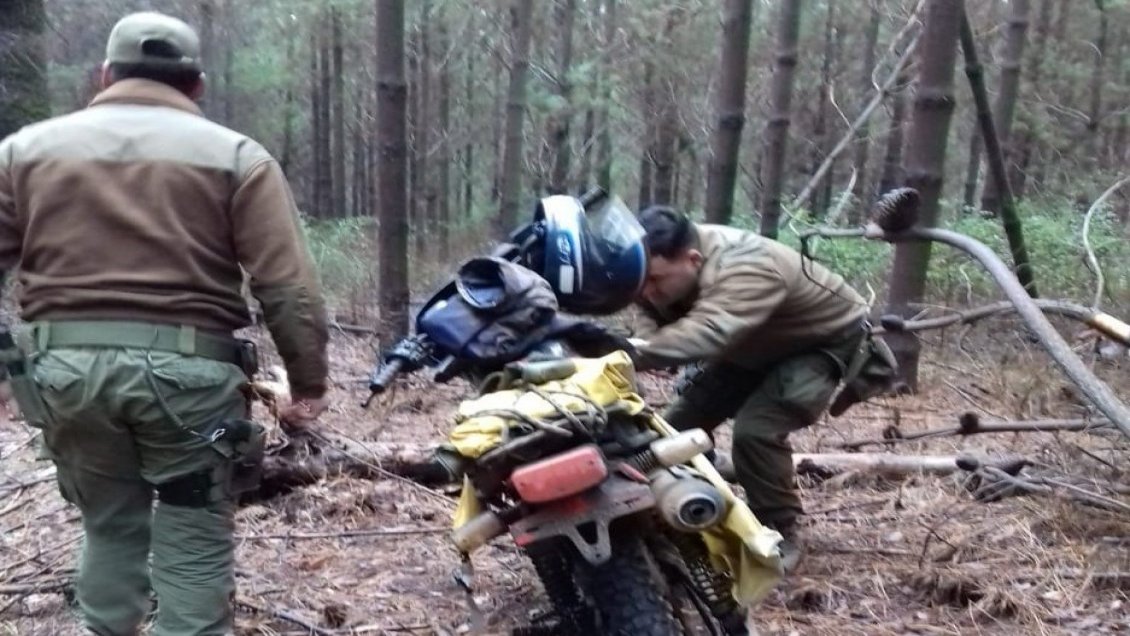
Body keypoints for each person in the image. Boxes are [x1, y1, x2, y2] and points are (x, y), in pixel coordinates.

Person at [0, 12, 329, 635]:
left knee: (108, 525)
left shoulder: (23, 151)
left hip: (66, 377)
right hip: (190, 382)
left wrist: (4, 368)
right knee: (193, 530)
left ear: (104, 75)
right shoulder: (237, 157)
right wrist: (308, 382)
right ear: (196, 84)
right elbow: (287, 286)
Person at [629, 206, 897, 567]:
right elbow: (649, 317)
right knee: (671, 432)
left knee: (756, 431)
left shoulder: (748, 267)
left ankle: (779, 528)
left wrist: (624, 354)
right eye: (642, 280)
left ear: (693, 260)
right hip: (751, 342)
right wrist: (637, 346)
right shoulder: (668, 261)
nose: (647, 291)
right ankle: (697, 492)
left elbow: (708, 334)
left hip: (818, 342)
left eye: (656, 281)